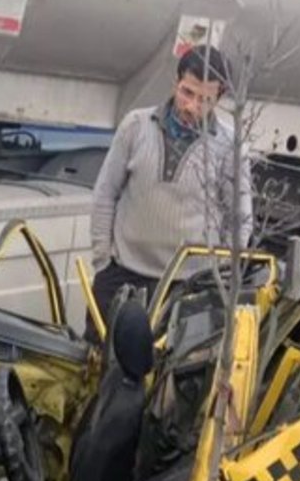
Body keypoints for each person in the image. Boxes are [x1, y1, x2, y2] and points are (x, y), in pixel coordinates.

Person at [86, 44, 253, 342]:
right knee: (97, 363)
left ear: (219, 98)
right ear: (175, 81)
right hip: (122, 274)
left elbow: (240, 221)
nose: (191, 106)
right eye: (187, 93)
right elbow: (105, 194)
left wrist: (217, 280)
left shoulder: (231, 146)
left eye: (204, 100)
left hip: (187, 288)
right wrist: (102, 260)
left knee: (171, 383)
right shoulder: (136, 126)